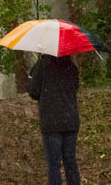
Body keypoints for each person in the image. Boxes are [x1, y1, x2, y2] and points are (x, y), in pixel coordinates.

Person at [28, 54, 81, 185]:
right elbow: (75, 87)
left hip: (51, 122)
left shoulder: (41, 66)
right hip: (70, 121)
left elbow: (33, 92)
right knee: (71, 162)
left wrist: (33, 74)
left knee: (54, 165)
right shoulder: (71, 66)